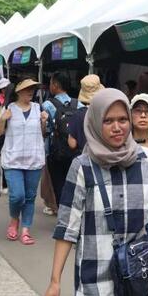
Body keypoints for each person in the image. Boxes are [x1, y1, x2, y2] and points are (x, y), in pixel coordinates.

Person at [43, 88, 148, 296]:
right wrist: (55, 280)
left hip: (140, 279)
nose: (117, 127)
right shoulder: (82, 167)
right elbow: (67, 228)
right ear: (96, 123)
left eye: (122, 120)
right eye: (108, 121)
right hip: (96, 284)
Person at [0, 78, 48, 245]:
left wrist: (44, 122)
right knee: (17, 196)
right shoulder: (7, 108)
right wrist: (3, 119)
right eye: (26, 89)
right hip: (12, 159)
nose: (30, 92)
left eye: (32, 89)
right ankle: (14, 219)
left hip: (34, 158)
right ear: (18, 92)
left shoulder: (39, 108)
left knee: (30, 197)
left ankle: (25, 230)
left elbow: (42, 133)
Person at [43, 71, 83, 206]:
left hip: (56, 152)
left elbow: (45, 130)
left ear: (55, 85)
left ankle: (63, 214)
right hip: (75, 151)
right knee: (74, 185)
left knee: (58, 186)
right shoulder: (78, 104)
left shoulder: (48, 105)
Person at [67, 74, 104, 152]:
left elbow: (72, 144)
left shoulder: (77, 115)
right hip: (103, 156)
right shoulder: (106, 113)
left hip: (84, 158)